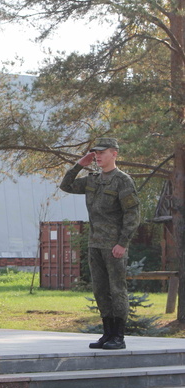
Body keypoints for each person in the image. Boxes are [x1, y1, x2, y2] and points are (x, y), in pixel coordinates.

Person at [60, 138, 140, 350]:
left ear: (114, 154)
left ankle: (119, 337)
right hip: (95, 243)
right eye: (95, 152)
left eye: (102, 152)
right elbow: (65, 185)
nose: (97, 155)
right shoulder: (92, 180)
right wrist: (80, 165)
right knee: (100, 290)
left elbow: (132, 213)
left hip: (114, 245)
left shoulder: (122, 180)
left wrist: (123, 242)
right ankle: (107, 333)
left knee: (117, 289)